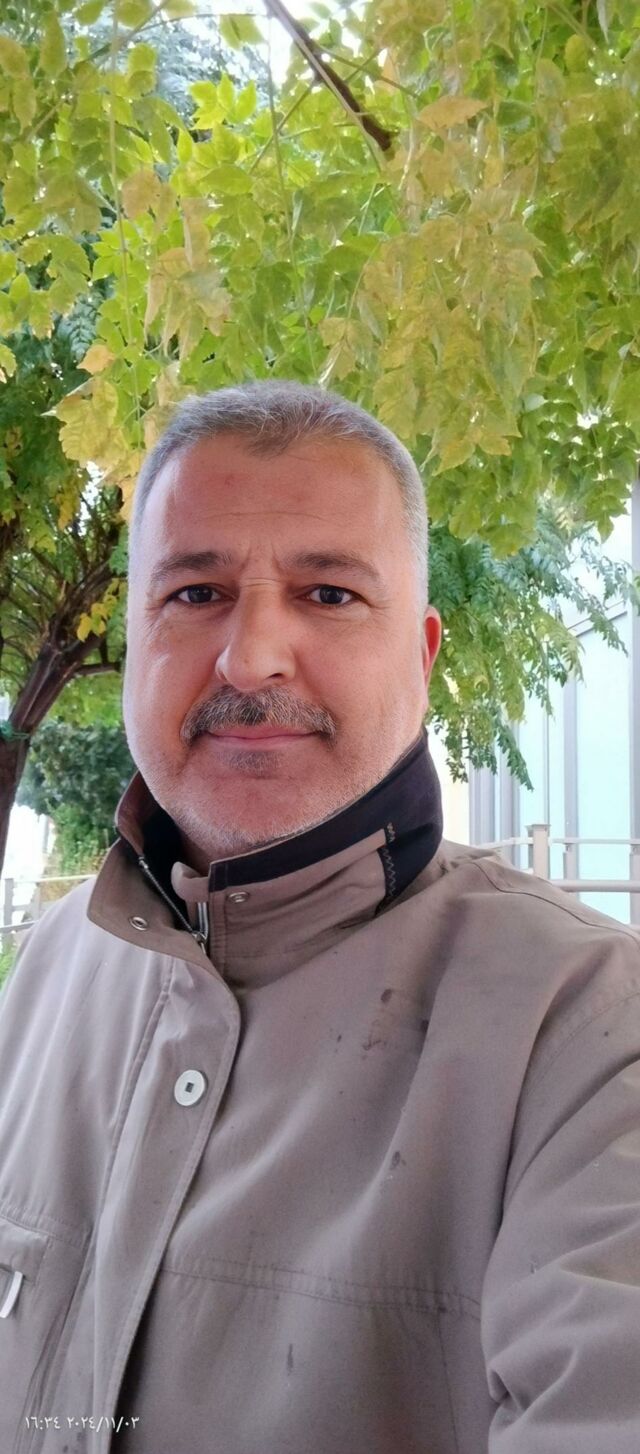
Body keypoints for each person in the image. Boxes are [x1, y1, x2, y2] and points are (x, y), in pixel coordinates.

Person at [0, 380, 639, 1454]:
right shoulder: (51, 969)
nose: (251, 656)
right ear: (136, 640)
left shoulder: (589, 1031)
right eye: (196, 591)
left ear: (422, 659)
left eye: (330, 593)